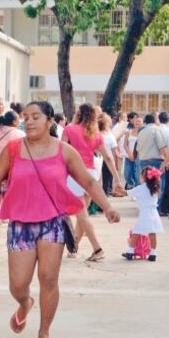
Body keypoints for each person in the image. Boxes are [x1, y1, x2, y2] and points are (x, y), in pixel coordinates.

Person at [0, 101, 120, 338]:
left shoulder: (64, 151)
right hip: (21, 224)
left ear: (50, 121)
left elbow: (88, 182)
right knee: (18, 284)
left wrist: (108, 207)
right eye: (26, 117)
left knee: (48, 278)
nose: (29, 121)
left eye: (36, 117)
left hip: (52, 222)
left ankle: (44, 331)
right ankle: (24, 303)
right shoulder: (14, 149)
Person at [63, 103, 118, 261]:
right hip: (92, 173)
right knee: (83, 215)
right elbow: (108, 157)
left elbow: (62, 151)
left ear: (79, 114)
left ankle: (97, 248)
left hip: (75, 174)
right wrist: (117, 178)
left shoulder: (69, 129)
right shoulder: (97, 134)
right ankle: (74, 248)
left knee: (82, 215)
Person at [123, 167, 165, 261]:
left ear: (144, 177)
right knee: (152, 233)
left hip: (144, 213)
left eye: (141, 175)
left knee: (136, 232)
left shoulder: (142, 188)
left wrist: (118, 189)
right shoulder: (155, 187)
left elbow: (127, 193)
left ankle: (130, 252)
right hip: (153, 213)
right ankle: (153, 254)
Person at [122, 112, 143, 187]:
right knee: (127, 175)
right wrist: (130, 154)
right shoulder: (129, 131)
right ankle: (133, 185)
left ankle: (137, 189)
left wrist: (136, 155)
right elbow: (125, 144)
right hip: (129, 155)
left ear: (142, 123)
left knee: (137, 175)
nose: (137, 123)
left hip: (138, 156)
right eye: (136, 121)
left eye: (139, 121)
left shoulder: (143, 132)